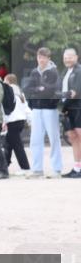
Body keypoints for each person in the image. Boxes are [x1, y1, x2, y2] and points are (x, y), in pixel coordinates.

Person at [23, 47, 62, 178]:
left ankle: (57, 169)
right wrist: (39, 90)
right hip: (36, 109)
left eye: (44, 57)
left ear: (48, 58)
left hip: (50, 108)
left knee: (54, 138)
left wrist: (39, 90)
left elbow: (52, 90)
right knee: (35, 139)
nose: (41, 60)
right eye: (39, 57)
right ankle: (37, 169)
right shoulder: (34, 72)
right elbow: (27, 89)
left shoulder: (54, 72)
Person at [1, 73, 31, 175]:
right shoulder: (20, 92)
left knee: (17, 145)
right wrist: (29, 119)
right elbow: (25, 107)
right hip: (20, 120)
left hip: (12, 121)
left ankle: (25, 167)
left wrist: (3, 120)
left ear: (8, 81)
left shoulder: (8, 91)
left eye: (4, 80)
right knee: (8, 143)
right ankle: (4, 165)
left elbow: (5, 108)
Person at [61, 47, 81, 178]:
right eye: (65, 57)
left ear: (76, 57)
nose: (67, 59)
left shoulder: (79, 71)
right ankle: (77, 168)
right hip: (69, 108)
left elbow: (74, 92)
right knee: (73, 138)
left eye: (70, 56)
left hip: (78, 107)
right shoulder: (66, 72)